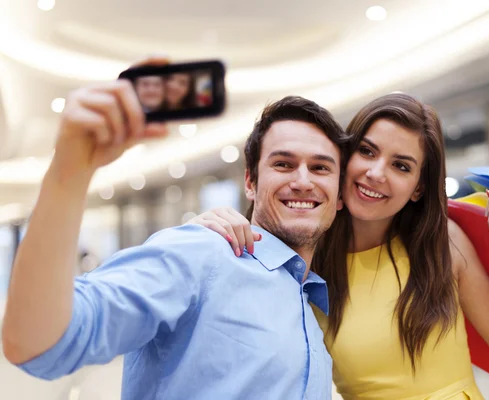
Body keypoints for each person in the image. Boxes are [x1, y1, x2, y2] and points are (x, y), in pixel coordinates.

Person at [2, 59, 350, 399]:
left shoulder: (310, 296)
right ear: (250, 181)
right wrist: (70, 172)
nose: (303, 181)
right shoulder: (202, 254)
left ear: (338, 195)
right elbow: (39, 343)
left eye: (321, 168)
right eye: (283, 164)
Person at [191, 92, 489, 399]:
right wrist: (205, 228)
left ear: (418, 188)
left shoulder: (442, 243)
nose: (376, 173)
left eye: (401, 166)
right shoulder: (304, 256)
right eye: (367, 151)